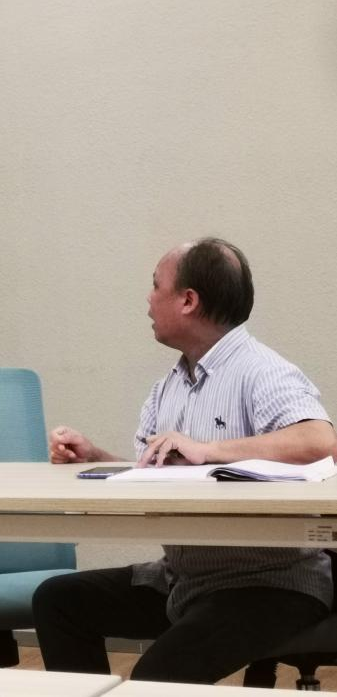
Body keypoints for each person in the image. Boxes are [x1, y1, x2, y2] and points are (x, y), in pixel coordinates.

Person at [34, 238, 337, 684]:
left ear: (188, 300)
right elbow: (158, 476)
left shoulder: (263, 371)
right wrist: (98, 457)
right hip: (184, 579)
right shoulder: (169, 385)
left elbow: (321, 442)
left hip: (271, 584)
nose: (148, 298)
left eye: (156, 285)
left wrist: (207, 450)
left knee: (156, 676)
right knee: (59, 600)